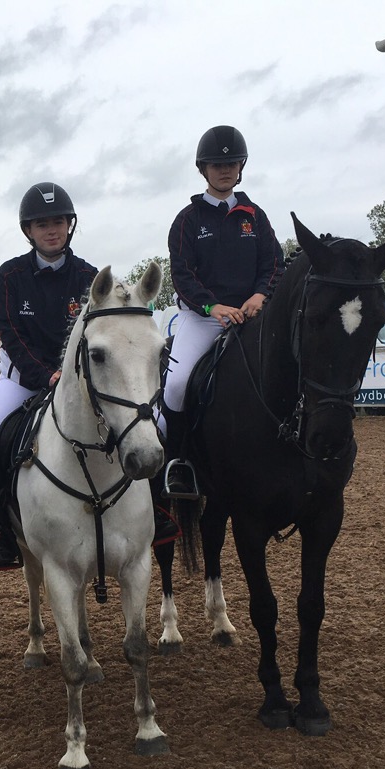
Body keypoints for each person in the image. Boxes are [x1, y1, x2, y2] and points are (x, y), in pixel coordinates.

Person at [0, 183, 99, 570]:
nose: (51, 230)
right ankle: (4, 533)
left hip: (79, 381)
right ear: (28, 230)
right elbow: (13, 337)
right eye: (42, 224)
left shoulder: (89, 275)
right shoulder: (9, 275)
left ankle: (151, 513)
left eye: (58, 221)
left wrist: (72, 375)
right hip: (21, 380)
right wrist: (47, 376)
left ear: (70, 225)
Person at [162, 125, 284, 497]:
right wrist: (211, 306)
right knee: (178, 385)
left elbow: (274, 263)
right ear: (203, 169)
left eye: (231, 162)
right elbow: (182, 274)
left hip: (251, 317)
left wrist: (261, 295)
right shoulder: (187, 220)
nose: (225, 170)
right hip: (202, 320)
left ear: (241, 166)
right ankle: (179, 462)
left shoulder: (255, 216)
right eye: (217, 164)